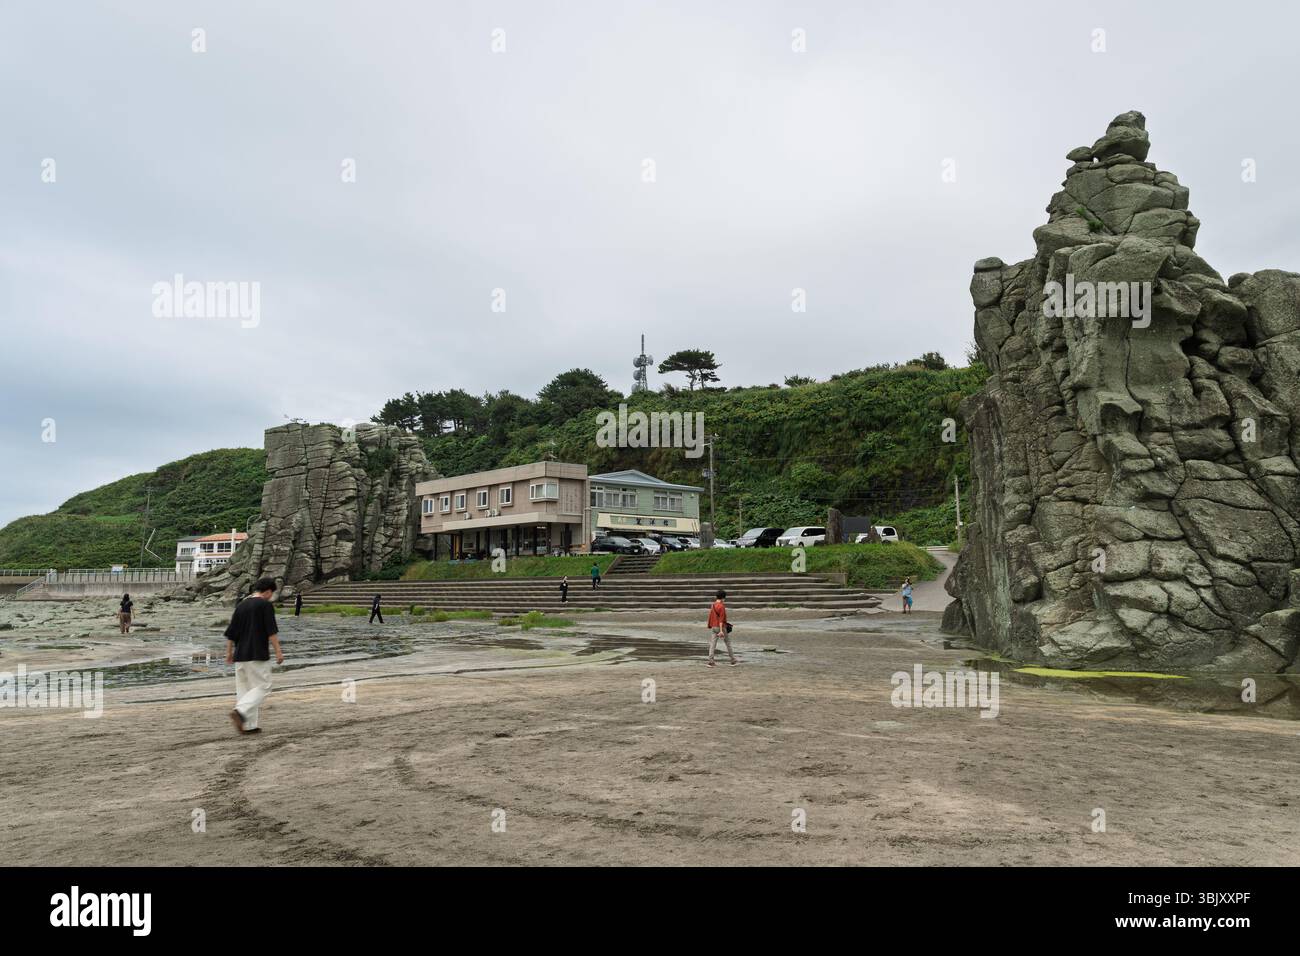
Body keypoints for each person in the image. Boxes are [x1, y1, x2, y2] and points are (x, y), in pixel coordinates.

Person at [224, 577, 284, 734]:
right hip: (257, 653)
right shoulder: (265, 605)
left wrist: (229, 652)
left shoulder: (241, 605)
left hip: (240, 654)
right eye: (271, 594)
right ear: (268, 591)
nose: (271, 597)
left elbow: (231, 632)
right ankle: (240, 711)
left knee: (245, 690)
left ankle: (249, 725)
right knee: (263, 685)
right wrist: (278, 651)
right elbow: (271, 631)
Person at [706, 589, 737, 667]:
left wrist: (709, 625)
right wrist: (721, 631)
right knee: (728, 643)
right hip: (721, 627)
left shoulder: (713, 605)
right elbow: (721, 620)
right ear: (723, 597)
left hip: (713, 626)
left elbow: (710, 616)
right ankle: (733, 660)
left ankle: (711, 661)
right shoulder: (722, 606)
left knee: (713, 644)